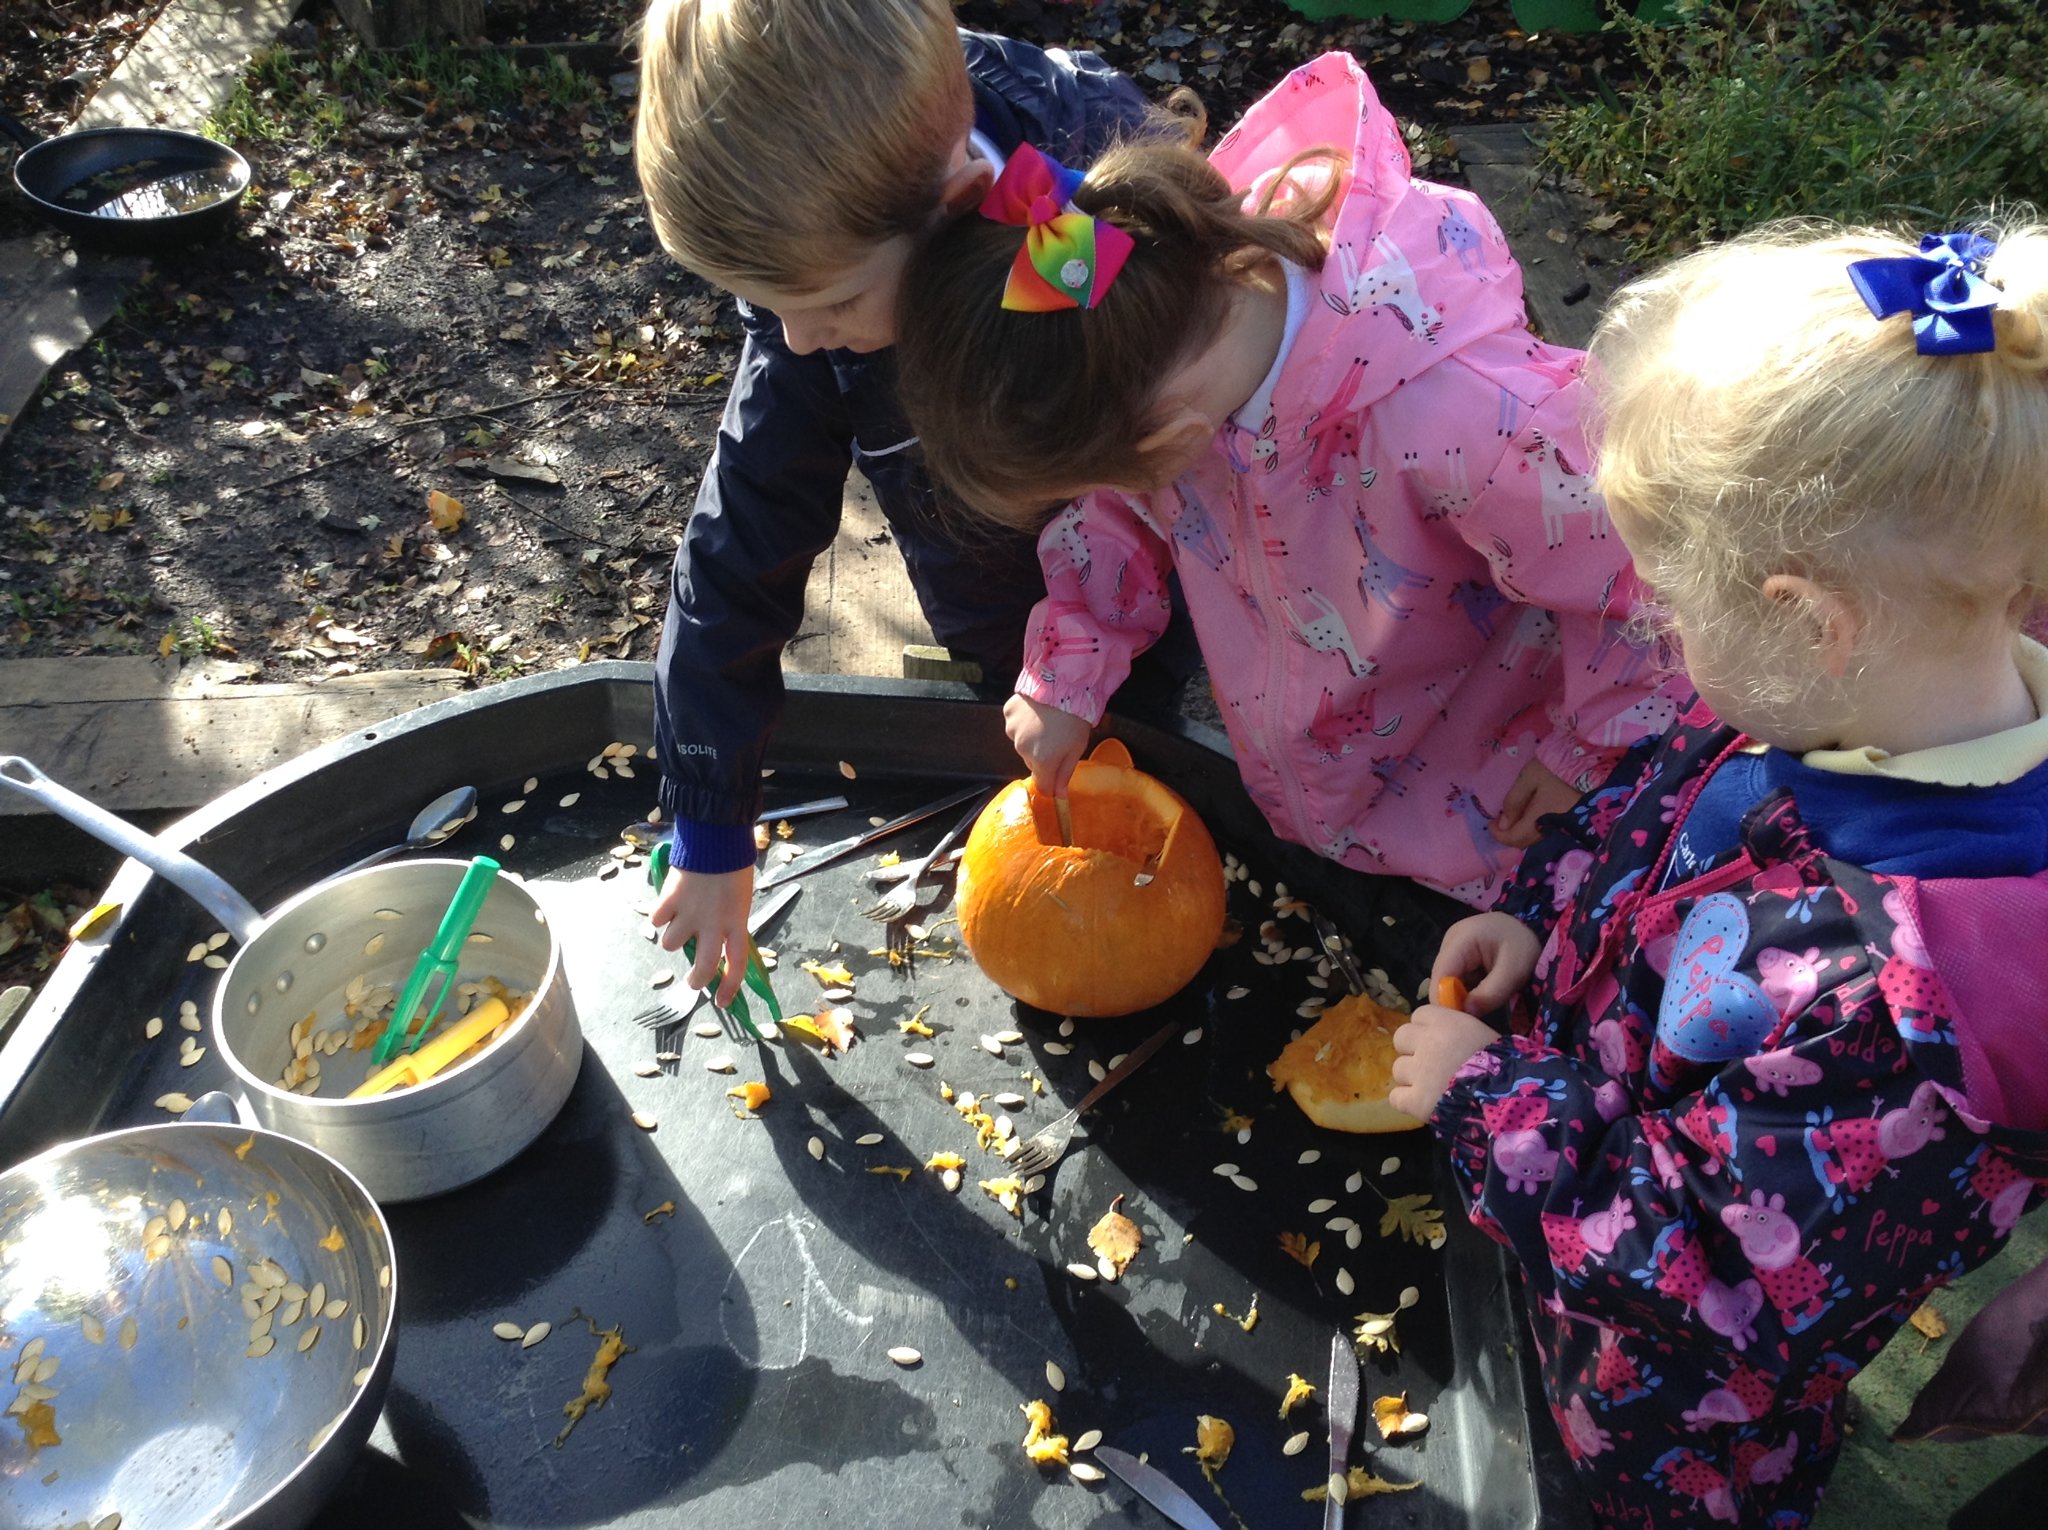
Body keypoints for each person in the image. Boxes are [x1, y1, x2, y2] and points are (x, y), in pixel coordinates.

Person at [1388, 221, 2048, 1526]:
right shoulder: (1851, 699)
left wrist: (1495, 1102)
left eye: (1677, 606)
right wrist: (1544, 922)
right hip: (1578, 1155)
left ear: (1812, 616)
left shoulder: (1922, 1018)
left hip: (1672, 1410)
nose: (1666, 633)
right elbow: (1670, 818)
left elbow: (1709, 1281)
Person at [894, 53, 1670, 909]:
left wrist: (1585, 754)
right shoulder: (1151, 326)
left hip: (1494, 798)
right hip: (1346, 785)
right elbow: (1116, 513)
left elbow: (1644, 576)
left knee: (1478, 971)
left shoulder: (1471, 425)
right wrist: (1070, 673)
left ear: (1172, 440)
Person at [633, 0, 1185, 999]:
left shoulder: (1085, 199)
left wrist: (1089, 252)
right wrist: (710, 813)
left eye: (829, 305)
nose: (795, 340)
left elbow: (1199, 404)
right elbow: (739, 542)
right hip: (1008, 617)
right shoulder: (823, 286)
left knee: (1179, 759)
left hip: (1196, 588)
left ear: (964, 205)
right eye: (769, 308)